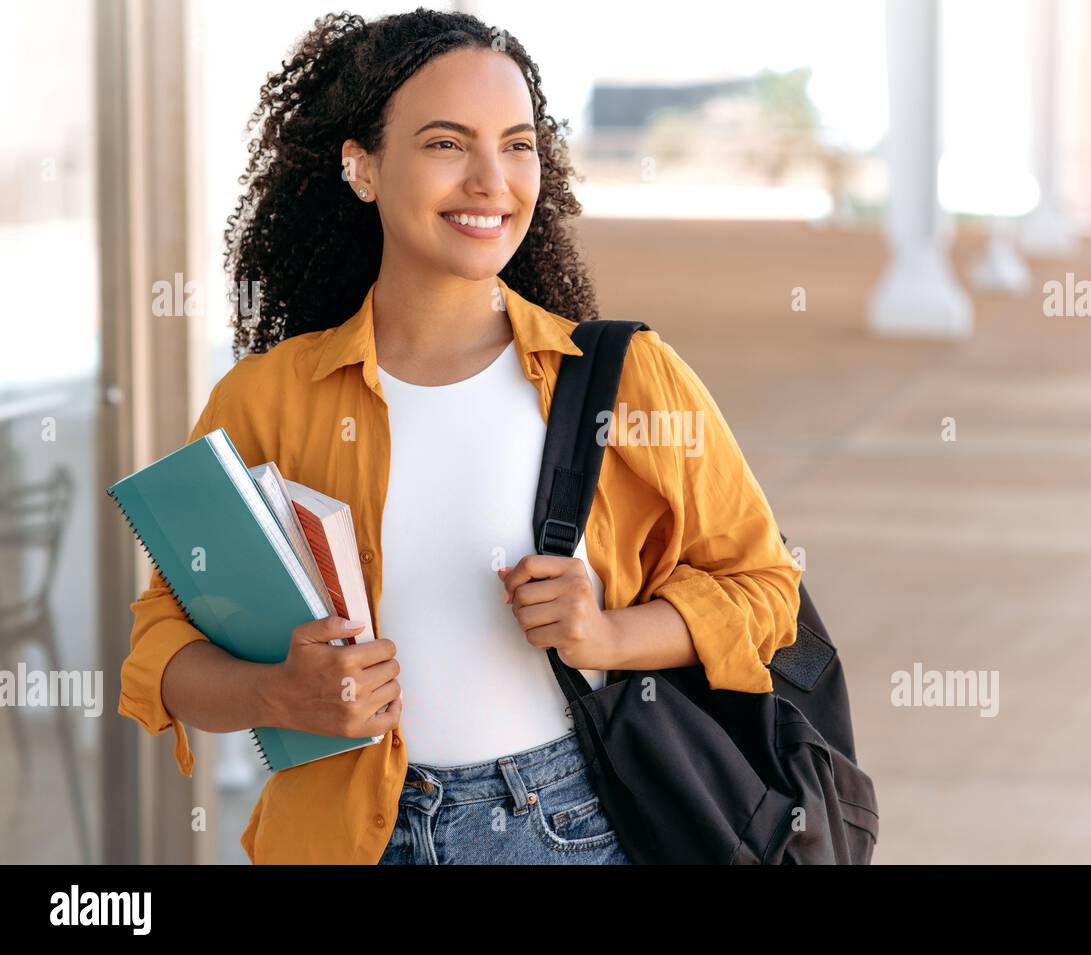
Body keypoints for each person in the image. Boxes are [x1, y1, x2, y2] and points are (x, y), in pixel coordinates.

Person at [119, 8, 802, 864]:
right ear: (361, 167)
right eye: (447, 144)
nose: (491, 179)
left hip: (574, 827)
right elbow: (162, 645)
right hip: (342, 836)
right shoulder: (264, 399)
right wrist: (279, 693)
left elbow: (766, 588)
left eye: (517, 145)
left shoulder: (625, 378)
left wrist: (609, 635)